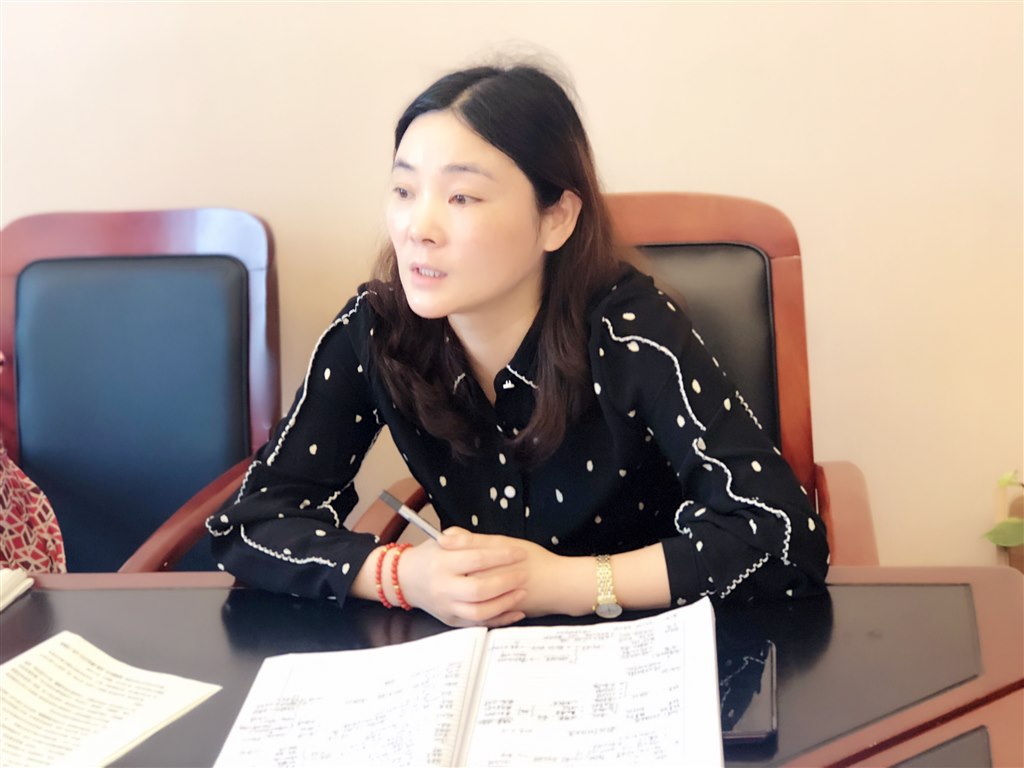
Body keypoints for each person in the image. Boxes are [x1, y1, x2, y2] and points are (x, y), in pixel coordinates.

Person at [208, 64, 829, 627]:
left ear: (556, 218)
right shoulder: (376, 328)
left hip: (642, 649)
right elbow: (251, 520)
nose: (418, 228)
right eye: (404, 191)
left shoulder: (631, 330)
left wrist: (564, 584)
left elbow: (781, 534)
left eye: (461, 197)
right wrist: (404, 575)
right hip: (473, 661)